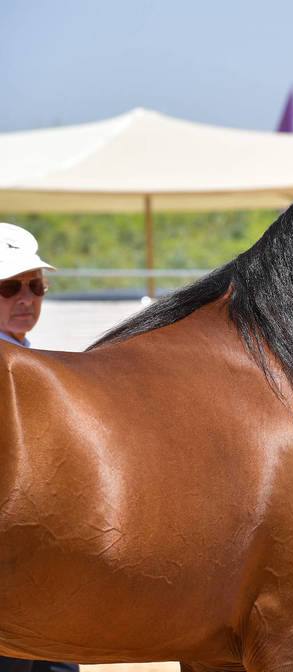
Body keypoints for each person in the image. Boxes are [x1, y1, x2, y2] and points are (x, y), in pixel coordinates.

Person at [0, 222, 78, 672]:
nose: (26, 299)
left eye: (36, 285)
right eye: (9, 287)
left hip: (46, 581)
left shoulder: (37, 363)